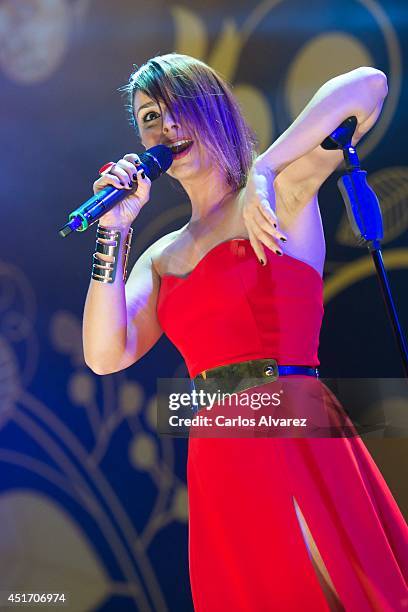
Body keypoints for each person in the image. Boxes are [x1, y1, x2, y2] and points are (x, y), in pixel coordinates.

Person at [82, 53, 408, 610]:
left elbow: (367, 86)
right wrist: (113, 232)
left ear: (212, 109)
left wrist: (263, 169)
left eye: (175, 108)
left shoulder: (277, 192)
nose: (164, 127)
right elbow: (104, 355)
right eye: (149, 117)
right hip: (217, 452)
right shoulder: (163, 255)